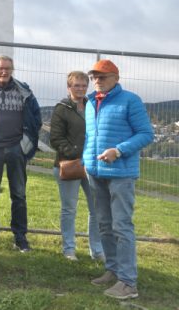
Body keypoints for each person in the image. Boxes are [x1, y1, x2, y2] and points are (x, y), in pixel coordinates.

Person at [85, 59, 153, 300]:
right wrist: (86, 160)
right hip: (96, 173)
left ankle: (128, 282)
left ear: (116, 77)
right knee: (104, 224)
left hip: (121, 174)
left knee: (121, 226)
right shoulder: (91, 102)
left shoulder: (130, 100)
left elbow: (146, 134)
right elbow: (90, 136)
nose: (97, 80)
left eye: (102, 76)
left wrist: (119, 150)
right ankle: (112, 270)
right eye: (94, 76)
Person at [0, 55, 41, 252]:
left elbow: (36, 120)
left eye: (7, 68)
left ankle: (20, 237)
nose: (4, 71)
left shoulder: (24, 91)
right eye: (0, 68)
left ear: (12, 69)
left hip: (16, 148)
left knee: (19, 194)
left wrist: (25, 144)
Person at [49, 71, 104, 261]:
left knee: (96, 208)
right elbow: (55, 138)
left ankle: (97, 250)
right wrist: (76, 153)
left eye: (83, 85)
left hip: (92, 166)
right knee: (69, 208)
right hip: (69, 164)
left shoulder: (94, 106)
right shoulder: (61, 108)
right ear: (69, 87)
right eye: (76, 85)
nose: (80, 89)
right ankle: (69, 249)